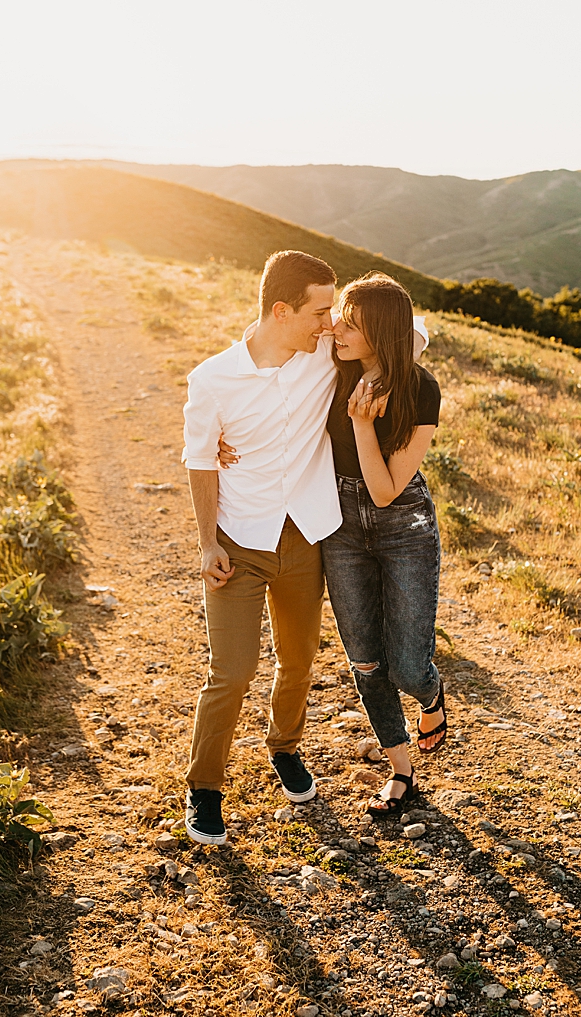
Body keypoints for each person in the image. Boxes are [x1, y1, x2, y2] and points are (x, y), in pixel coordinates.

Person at [181, 251, 429, 846]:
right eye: (322, 311)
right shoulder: (212, 379)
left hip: (306, 534)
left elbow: (411, 334)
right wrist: (207, 541)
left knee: (298, 663)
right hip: (239, 540)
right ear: (281, 310)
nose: (330, 323)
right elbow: (198, 459)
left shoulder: (326, 354)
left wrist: (381, 363)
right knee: (231, 672)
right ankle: (204, 789)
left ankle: (284, 748)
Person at [322, 272, 444, 818]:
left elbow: (387, 488)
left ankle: (433, 695)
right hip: (340, 524)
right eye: (341, 316)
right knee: (367, 663)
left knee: (408, 669)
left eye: (352, 321)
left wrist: (362, 426)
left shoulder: (422, 389)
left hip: (403, 524)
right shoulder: (332, 368)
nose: (337, 327)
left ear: (380, 331)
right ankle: (400, 772)